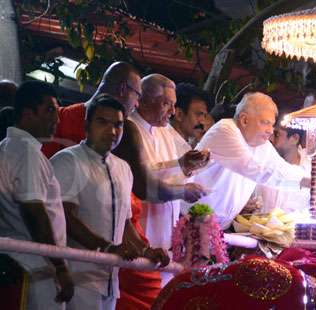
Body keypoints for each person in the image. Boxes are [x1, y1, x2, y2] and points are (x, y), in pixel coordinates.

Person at [50, 94, 169, 310]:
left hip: (111, 280)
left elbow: (125, 224)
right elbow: (65, 217)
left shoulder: (123, 168)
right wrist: (106, 248)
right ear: (86, 125)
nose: (112, 131)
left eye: (118, 125)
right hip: (75, 276)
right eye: (102, 122)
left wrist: (145, 251)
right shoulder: (68, 160)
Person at [192, 92, 316, 229]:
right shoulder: (225, 130)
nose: (270, 130)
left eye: (272, 124)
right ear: (244, 120)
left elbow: (280, 168)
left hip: (216, 227)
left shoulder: (260, 143)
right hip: (192, 222)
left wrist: (313, 180)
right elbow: (258, 171)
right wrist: (308, 182)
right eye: (265, 123)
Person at [122, 74, 208, 286]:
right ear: (144, 100)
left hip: (166, 238)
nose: (171, 112)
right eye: (166, 104)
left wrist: (188, 167)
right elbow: (143, 179)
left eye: (174, 105)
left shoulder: (165, 132)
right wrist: (179, 167)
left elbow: (172, 171)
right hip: (140, 236)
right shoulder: (129, 128)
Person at [0, 81, 73, 309]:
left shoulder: (10, 146)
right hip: (35, 265)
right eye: (50, 110)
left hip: (23, 261)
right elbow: (34, 211)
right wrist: (59, 266)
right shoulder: (26, 152)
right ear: (27, 114)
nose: (56, 119)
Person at [42, 61, 142, 158]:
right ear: (122, 89)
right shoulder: (56, 121)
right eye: (137, 95)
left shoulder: (60, 117)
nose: (137, 104)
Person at [170, 82, 213, 151]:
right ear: (179, 115)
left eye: (204, 116)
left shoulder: (187, 145)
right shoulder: (163, 144)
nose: (203, 121)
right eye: (199, 114)